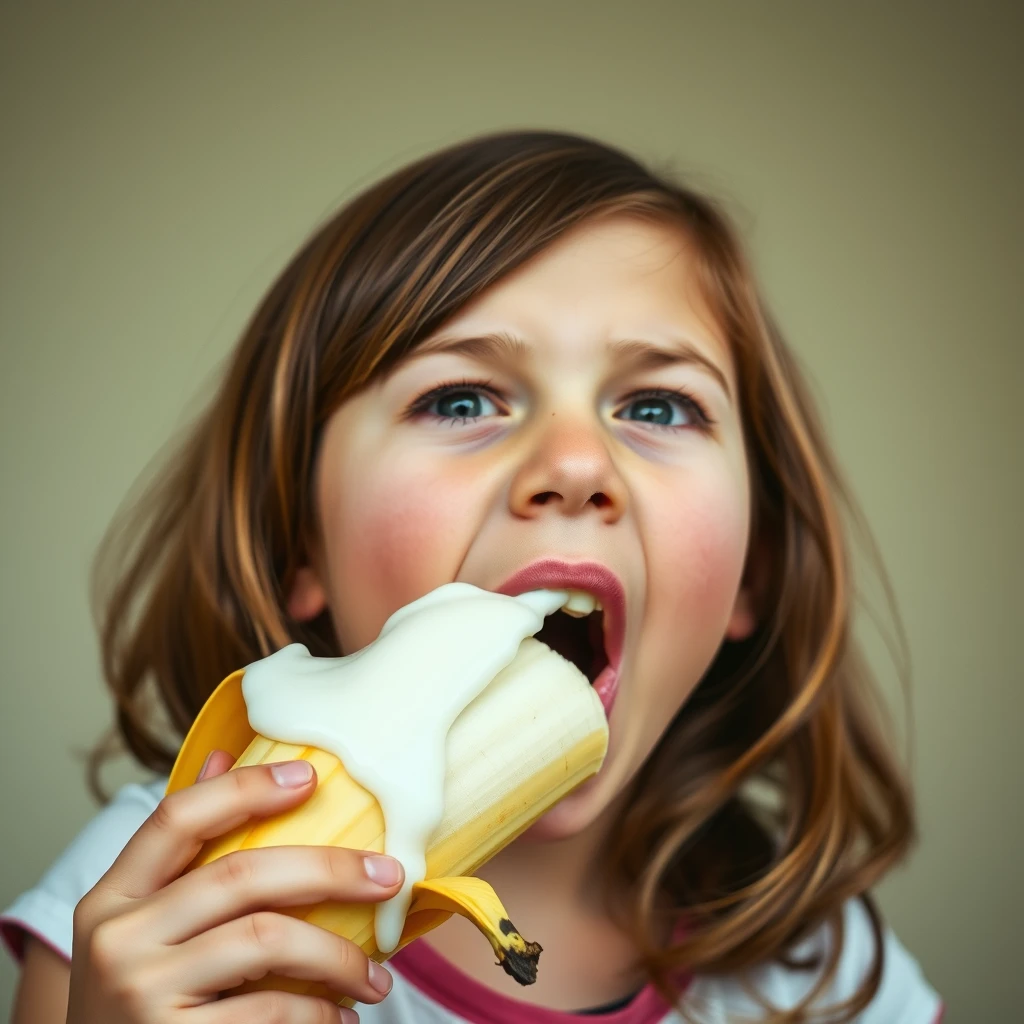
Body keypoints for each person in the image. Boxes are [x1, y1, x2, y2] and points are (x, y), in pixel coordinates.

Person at [3, 130, 943, 1023]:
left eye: (657, 405)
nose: (577, 464)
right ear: (301, 542)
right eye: (461, 398)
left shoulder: (828, 975)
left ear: (754, 571)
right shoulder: (163, 911)